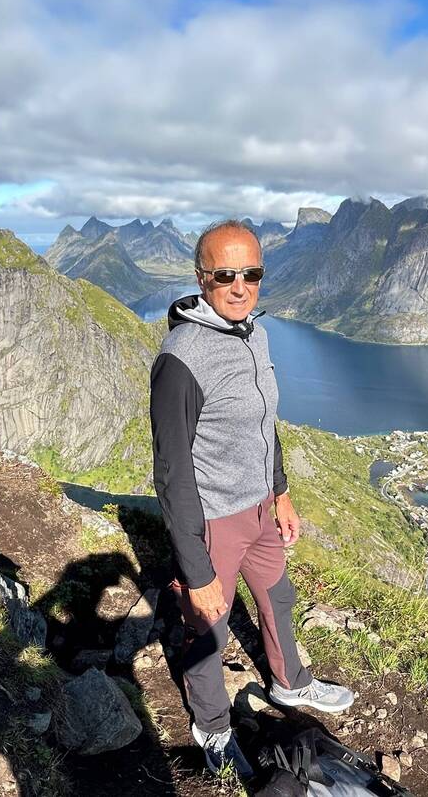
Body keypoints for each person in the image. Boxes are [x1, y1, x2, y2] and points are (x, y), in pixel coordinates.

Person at [150, 220, 355, 778]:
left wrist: (281, 493)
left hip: (262, 508)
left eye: (252, 273)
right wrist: (196, 572)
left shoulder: (254, 334)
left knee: (278, 596)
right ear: (202, 278)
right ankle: (213, 729)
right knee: (208, 628)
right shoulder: (181, 358)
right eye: (225, 275)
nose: (240, 287)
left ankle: (290, 683)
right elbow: (171, 473)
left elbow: (266, 425)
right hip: (215, 520)